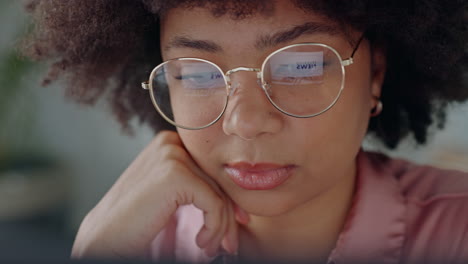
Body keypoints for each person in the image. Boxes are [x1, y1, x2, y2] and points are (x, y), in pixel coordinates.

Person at [21, 0, 468, 263]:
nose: (246, 122)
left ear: (376, 73)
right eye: (196, 73)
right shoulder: (133, 240)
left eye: (300, 66)